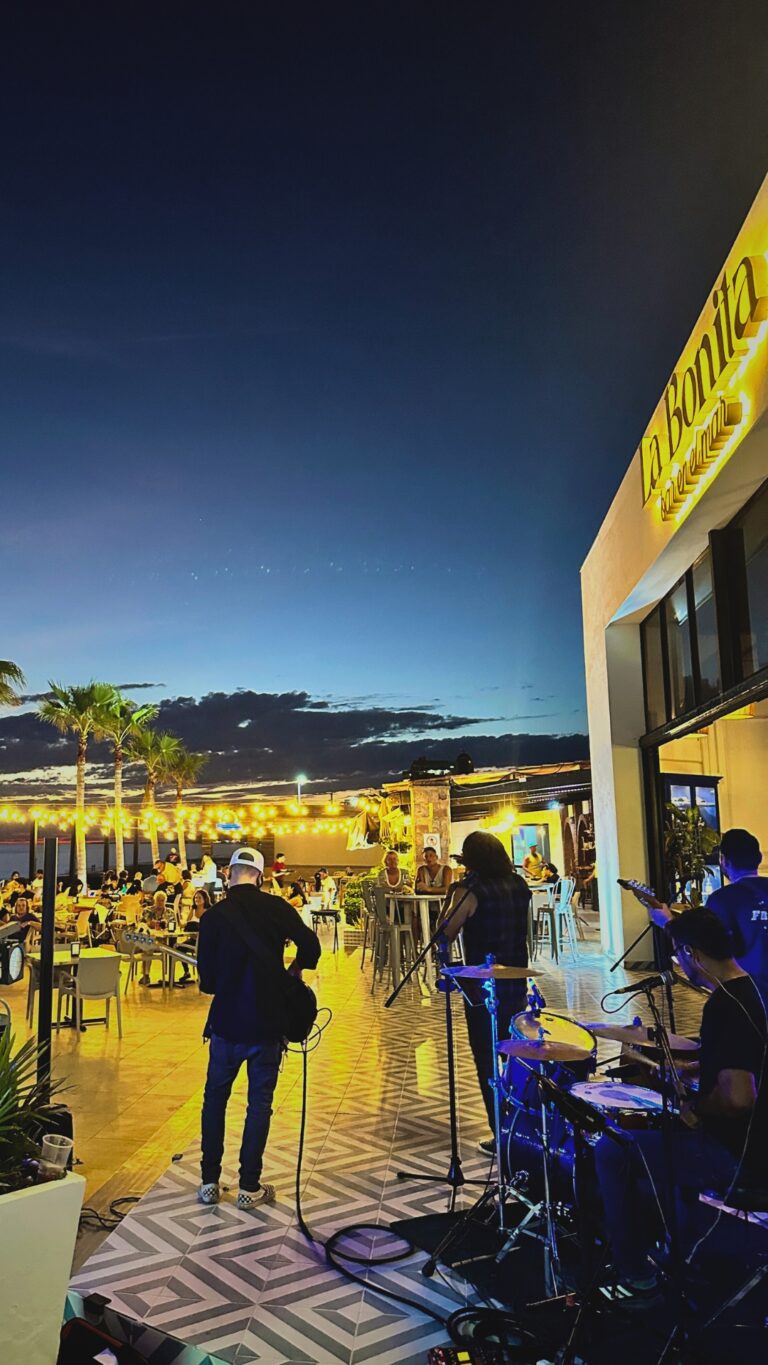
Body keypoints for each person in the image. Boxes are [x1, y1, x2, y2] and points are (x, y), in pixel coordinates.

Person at [594, 907, 768, 1295]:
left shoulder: (725, 1005)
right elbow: (741, 1062)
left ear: (693, 954)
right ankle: (681, 1238)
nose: (678, 963)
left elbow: (739, 1098)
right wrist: (691, 1073)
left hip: (739, 1156)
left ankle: (635, 1274)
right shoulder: (750, 988)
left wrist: (696, 1107)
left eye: (677, 954)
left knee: (612, 1149)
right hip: (749, 1143)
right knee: (650, 1140)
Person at [197, 847, 321, 1211]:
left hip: (226, 1024)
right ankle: (249, 1186)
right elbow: (311, 945)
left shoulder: (214, 918)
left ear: (228, 873)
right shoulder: (277, 908)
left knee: (215, 1100)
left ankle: (208, 1181)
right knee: (259, 1105)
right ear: (261, 876)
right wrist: (296, 968)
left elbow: (208, 983)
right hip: (267, 1024)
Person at [438, 832, 531, 1143]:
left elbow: (444, 935)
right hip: (516, 980)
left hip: (482, 989)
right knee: (513, 1053)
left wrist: (452, 895)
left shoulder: (469, 891)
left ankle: (501, 1134)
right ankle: (523, 1128)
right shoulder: (519, 884)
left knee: (487, 1059)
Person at [647, 827, 768, 1004]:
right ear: (759, 858)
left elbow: (705, 953)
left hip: (746, 997)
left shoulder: (721, 900)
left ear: (723, 860)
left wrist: (669, 923)